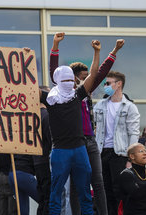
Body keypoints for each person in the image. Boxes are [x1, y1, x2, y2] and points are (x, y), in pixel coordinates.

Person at [50, 32, 125, 215]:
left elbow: (99, 72)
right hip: (70, 143)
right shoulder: (61, 95)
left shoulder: (83, 91)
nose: (85, 78)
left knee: (96, 182)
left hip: (88, 142)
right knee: (74, 187)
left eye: (86, 76)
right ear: (72, 77)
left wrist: (113, 50)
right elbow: (53, 70)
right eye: (81, 76)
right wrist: (55, 46)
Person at [39, 40, 102, 215]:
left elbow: (94, 74)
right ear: (57, 81)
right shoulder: (49, 98)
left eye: (70, 79)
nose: (68, 82)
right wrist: (25, 63)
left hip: (80, 150)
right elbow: (28, 88)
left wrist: (96, 52)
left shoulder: (77, 95)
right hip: (60, 152)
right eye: (64, 79)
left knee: (85, 192)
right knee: (56, 192)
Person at [93, 70, 140, 215]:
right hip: (102, 152)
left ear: (118, 84)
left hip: (119, 153)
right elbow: (93, 128)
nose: (105, 86)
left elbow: (133, 133)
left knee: (119, 190)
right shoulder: (100, 105)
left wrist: (130, 159)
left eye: (108, 83)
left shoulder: (129, 107)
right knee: (104, 190)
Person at [33, 86, 52, 215]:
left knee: (42, 198)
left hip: (36, 161)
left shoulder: (31, 116)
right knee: (48, 197)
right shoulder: (47, 116)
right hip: (46, 160)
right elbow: (51, 140)